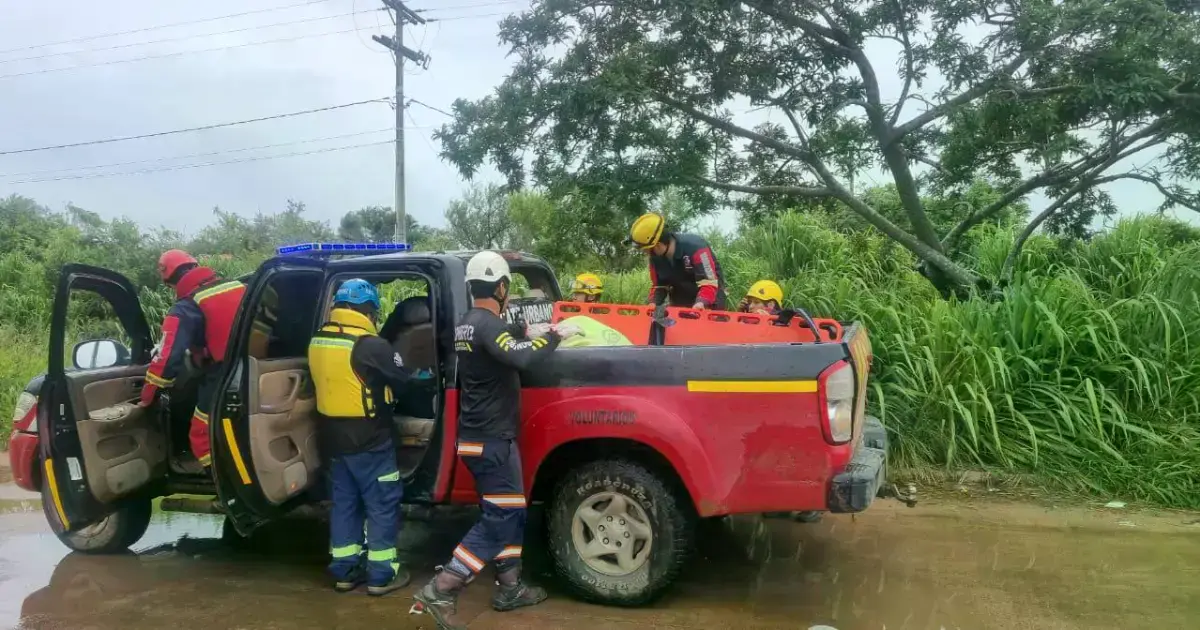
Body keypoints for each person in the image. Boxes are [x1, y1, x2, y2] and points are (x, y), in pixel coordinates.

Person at [413, 251, 577, 629]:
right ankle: (443, 587)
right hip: (491, 440)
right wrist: (552, 336)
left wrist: (523, 331)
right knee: (502, 516)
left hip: (481, 438)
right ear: (502, 288)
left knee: (509, 512)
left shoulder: (468, 324)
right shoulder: (487, 326)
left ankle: (509, 586)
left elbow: (498, 339)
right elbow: (519, 358)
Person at [308, 278, 424, 596]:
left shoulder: (319, 339)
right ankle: (381, 575)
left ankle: (345, 572)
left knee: (344, 505)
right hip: (371, 441)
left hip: (333, 442)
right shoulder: (371, 346)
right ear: (370, 311)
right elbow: (403, 380)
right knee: (381, 505)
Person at [140, 249, 247, 475]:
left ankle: (223, 487)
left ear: (170, 277)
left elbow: (167, 358)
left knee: (200, 433)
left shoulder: (186, 306)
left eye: (168, 286)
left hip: (224, 375)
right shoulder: (237, 287)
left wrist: (148, 396)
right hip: (252, 369)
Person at [628, 212, 728, 310]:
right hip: (680, 297)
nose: (646, 253)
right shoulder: (655, 258)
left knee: (707, 322)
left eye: (646, 249)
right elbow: (659, 286)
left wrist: (701, 303)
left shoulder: (696, 247)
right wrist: (652, 303)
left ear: (658, 245)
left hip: (710, 297)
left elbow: (709, 282)